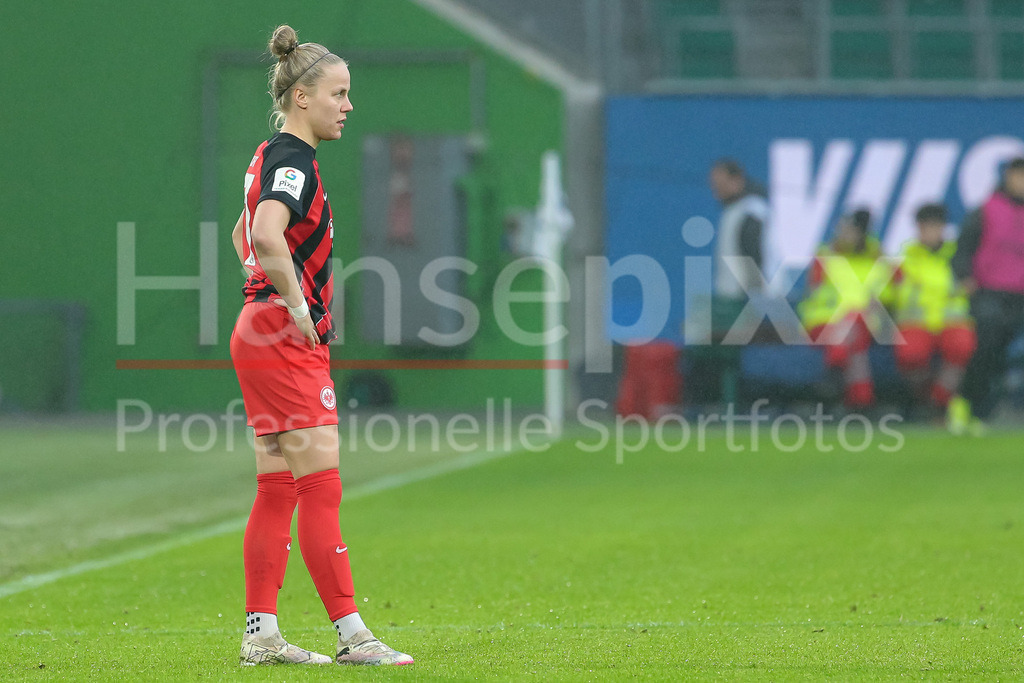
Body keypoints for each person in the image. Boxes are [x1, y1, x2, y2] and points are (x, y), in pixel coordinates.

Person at [229, 25, 412, 666]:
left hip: (256, 330)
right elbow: (264, 232)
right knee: (321, 488)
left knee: (278, 488)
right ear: (302, 96)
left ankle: (262, 635)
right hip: (282, 337)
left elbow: (242, 235)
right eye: (339, 93)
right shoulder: (295, 161)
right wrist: (297, 303)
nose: (348, 105)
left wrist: (265, 288)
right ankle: (354, 636)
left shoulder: (267, 154)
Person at [949, 157, 1024, 435]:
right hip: (989, 291)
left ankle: (982, 409)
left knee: (1002, 356)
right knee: (986, 347)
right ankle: (965, 402)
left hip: (1019, 294)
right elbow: (963, 248)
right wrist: (965, 278)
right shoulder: (986, 211)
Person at [800, 210, 894, 409]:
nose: (842, 235)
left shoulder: (878, 259)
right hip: (824, 322)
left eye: (849, 231)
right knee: (855, 341)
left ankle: (835, 376)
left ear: (861, 234)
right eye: (841, 230)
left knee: (853, 325)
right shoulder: (825, 257)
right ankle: (861, 402)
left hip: (864, 324)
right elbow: (813, 292)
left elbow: (887, 295)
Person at [891, 204, 976, 417]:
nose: (929, 232)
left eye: (934, 226)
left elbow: (971, 285)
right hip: (915, 322)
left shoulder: (958, 255)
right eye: (925, 227)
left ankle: (939, 402)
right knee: (911, 355)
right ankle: (926, 398)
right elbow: (888, 292)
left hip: (952, 321)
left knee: (962, 346)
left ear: (943, 228)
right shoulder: (904, 257)